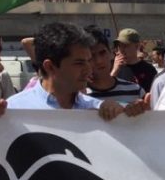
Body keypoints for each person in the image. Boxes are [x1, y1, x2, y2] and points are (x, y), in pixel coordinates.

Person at [7, 23, 136, 121]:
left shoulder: (98, 111)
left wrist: (125, 116)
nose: (89, 69)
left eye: (88, 61)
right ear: (50, 67)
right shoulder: (12, 110)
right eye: (79, 63)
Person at [83, 26, 147, 108]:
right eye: (92, 56)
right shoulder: (78, 97)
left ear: (110, 53)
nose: (99, 61)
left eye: (102, 53)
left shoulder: (136, 91)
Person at [111, 28, 157, 93]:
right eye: (120, 46)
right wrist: (114, 71)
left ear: (137, 46)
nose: (122, 49)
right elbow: (105, 91)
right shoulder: (113, 66)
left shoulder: (148, 69)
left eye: (125, 46)